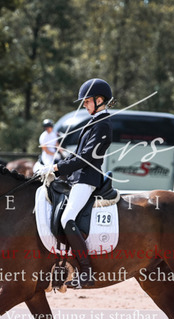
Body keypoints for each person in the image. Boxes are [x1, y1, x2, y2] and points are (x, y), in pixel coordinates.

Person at [37, 78, 114, 287]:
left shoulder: (103, 125)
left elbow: (86, 157)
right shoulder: (94, 122)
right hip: (76, 177)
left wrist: (56, 168)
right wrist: (57, 168)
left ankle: (86, 270)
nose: (85, 105)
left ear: (99, 100)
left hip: (87, 179)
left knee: (67, 218)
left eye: (87, 101)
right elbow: (77, 154)